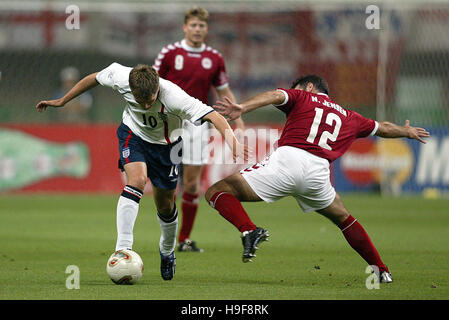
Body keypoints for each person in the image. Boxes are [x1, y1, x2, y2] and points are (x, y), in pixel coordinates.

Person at [207, 75, 430, 283]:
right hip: (318, 174)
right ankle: (381, 270)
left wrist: (243, 107)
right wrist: (405, 131)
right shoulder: (350, 116)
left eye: (295, 88)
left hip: (289, 161)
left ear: (309, 87)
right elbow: (383, 128)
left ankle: (249, 229)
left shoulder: (303, 96)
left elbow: (276, 95)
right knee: (344, 218)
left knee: (217, 190)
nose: (292, 92)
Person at [36, 62, 247, 281]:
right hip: (133, 135)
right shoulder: (120, 76)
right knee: (137, 180)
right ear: (130, 89)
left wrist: (233, 143)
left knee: (166, 205)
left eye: (150, 100)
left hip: (169, 146)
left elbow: (215, 116)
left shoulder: (176, 97)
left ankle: (167, 251)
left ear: (157, 89)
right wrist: (63, 101)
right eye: (140, 101)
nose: (146, 106)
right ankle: (123, 248)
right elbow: (94, 78)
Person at [153, 6, 245, 253]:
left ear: (206, 29)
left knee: (192, 185)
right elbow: (152, 84)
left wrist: (238, 119)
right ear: (185, 27)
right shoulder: (170, 53)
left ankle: (183, 239)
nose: (197, 29)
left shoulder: (214, 58)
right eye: (193, 25)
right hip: (170, 124)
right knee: (169, 185)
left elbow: (223, 91)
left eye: (201, 26)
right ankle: (168, 238)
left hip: (197, 125)